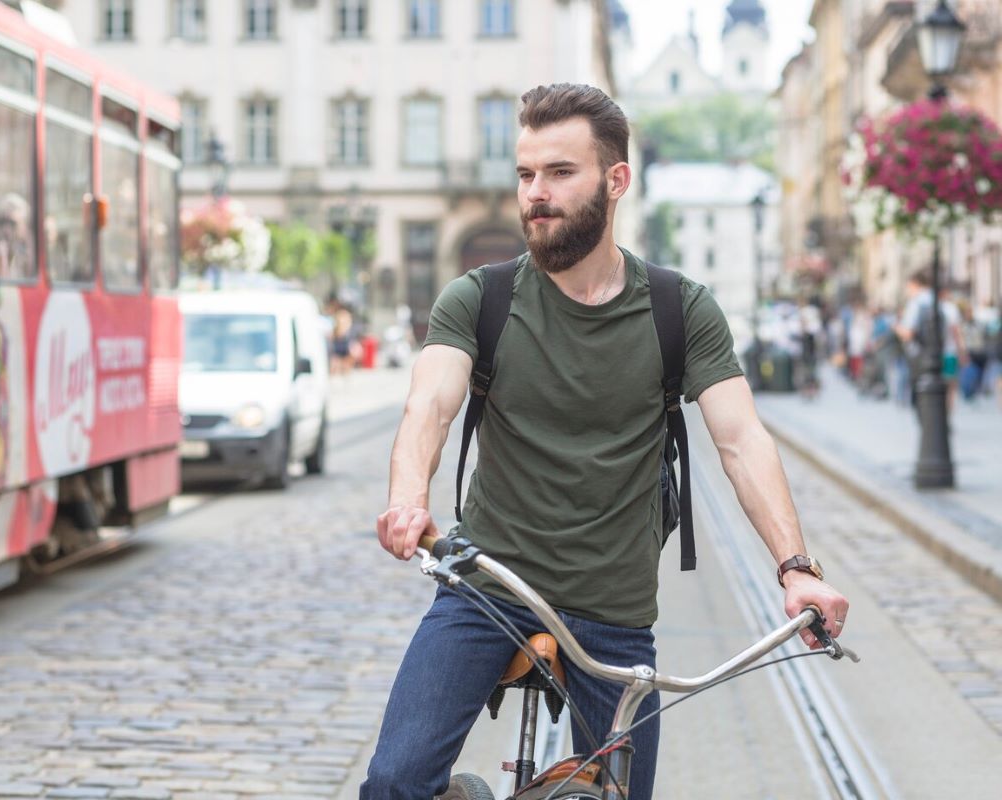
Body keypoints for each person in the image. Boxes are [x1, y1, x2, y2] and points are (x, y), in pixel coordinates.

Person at [363, 84, 849, 800]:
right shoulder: (480, 298)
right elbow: (429, 405)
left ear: (616, 180)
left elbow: (742, 438)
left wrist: (796, 568)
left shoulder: (678, 310)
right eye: (526, 174)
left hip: (613, 612)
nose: (536, 193)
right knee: (395, 784)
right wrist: (408, 501)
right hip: (490, 587)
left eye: (560, 173)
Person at [895, 272, 965, 414]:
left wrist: (896, 328)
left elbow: (908, 333)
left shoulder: (917, 303)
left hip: (924, 356)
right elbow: (956, 332)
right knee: (949, 387)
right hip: (947, 352)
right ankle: (945, 416)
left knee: (926, 391)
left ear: (915, 284)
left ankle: (935, 420)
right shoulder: (943, 305)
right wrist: (962, 351)